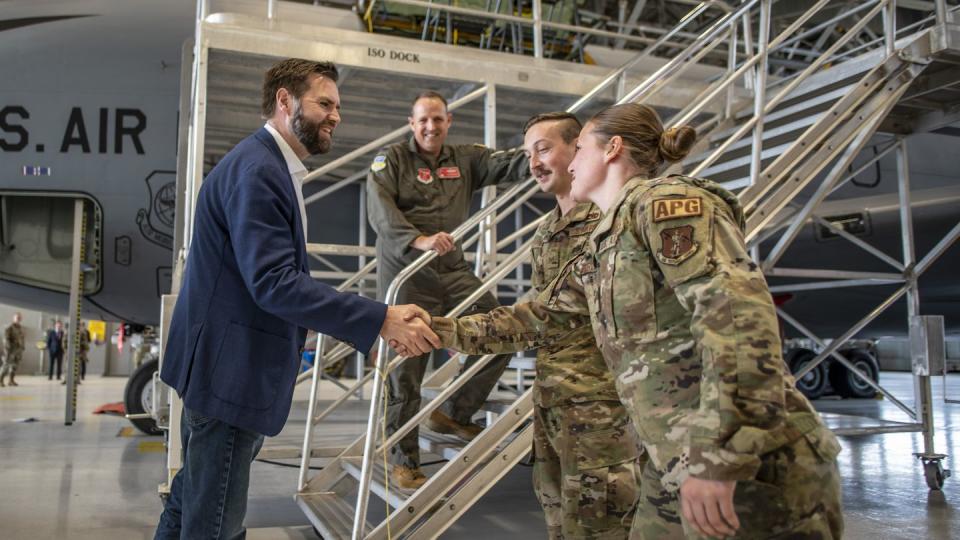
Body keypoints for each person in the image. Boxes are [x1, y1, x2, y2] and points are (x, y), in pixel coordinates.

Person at [424, 103, 843, 539]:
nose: (573, 163)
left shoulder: (665, 206)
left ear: (612, 150)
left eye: (580, 148)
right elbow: (545, 315)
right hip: (673, 456)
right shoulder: (607, 240)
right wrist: (436, 329)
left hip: (747, 459)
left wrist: (720, 456)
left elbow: (739, 321)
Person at [155, 58, 439, 540]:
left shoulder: (266, 165)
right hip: (229, 375)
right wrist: (380, 319)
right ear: (285, 102)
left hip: (221, 369)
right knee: (214, 521)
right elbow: (273, 282)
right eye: (324, 103)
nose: (335, 115)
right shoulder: (259, 170)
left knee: (191, 502)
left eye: (337, 107)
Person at [366, 90, 530, 489]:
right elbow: (380, 212)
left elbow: (509, 164)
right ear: (411, 123)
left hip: (451, 269)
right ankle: (403, 459)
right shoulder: (391, 161)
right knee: (406, 369)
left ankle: (455, 413)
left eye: (438, 119)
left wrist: (551, 151)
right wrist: (418, 239)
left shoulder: (465, 158)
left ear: (448, 121)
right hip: (407, 272)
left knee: (502, 332)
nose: (430, 126)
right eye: (423, 119)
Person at [521, 111, 641, 538]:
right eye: (527, 154)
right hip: (553, 406)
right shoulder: (545, 232)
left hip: (599, 413)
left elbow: (543, 316)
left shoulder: (610, 220)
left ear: (577, 150)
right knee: (560, 526)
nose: (534, 163)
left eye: (543, 148)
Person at [1, 312, 25, 387]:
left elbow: (22, 339)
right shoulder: (9, 327)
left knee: (14, 366)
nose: (18, 319)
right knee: (6, 366)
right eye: (17, 317)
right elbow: (5, 339)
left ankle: (11, 381)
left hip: (18, 351)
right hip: (10, 350)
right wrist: (7, 349)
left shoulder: (20, 328)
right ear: (13, 318)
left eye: (19, 318)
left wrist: (23, 347)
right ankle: (0, 380)